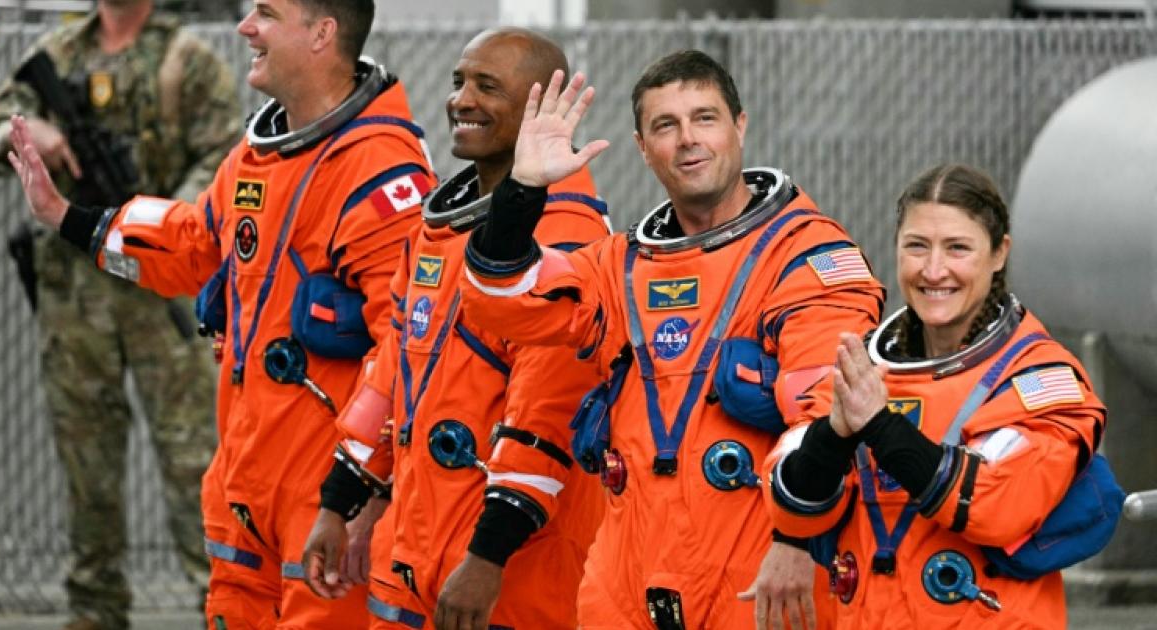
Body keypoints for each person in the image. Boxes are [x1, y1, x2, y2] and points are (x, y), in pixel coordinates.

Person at [3, 0, 436, 627]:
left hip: (325, 502)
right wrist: (68, 217)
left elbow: (407, 352)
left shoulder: (380, 171)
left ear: (322, 33)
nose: (245, 26)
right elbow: (191, 242)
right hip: (246, 486)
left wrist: (366, 494)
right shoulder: (260, 155)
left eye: (266, 13)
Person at [458, 50, 885, 629]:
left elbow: (826, 415)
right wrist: (523, 188)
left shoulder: (805, 255)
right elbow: (501, 297)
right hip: (625, 580)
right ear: (642, 147)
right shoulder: (620, 265)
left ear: (739, 125)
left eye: (704, 118)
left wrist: (796, 540)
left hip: (754, 576)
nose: (688, 140)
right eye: (666, 125)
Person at [298, 27, 611, 630]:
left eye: (487, 87)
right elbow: (390, 373)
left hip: (508, 572)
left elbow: (547, 419)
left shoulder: (568, 239)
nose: (462, 100)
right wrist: (339, 502)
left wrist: (487, 559)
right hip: (414, 550)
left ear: (541, 107)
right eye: (459, 82)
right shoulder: (437, 229)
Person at [0, 1, 238, 627]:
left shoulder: (188, 61)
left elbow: (223, 163)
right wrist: (26, 135)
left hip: (161, 291)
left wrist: (158, 227)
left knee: (195, 459)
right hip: (76, 297)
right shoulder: (57, 55)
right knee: (85, 460)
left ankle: (223, 604)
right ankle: (94, 608)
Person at [763, 164, 1107, 629]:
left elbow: (995, 503)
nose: (933, 270)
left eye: (957, 248)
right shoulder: (861, 369)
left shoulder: (1037, 379)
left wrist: (878, 425)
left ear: (999, 253)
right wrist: (834, 433)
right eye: (917, 246)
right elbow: (788, 502)